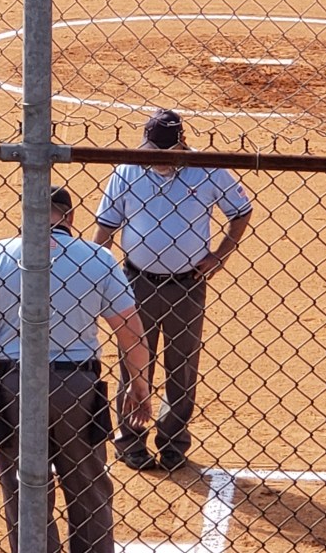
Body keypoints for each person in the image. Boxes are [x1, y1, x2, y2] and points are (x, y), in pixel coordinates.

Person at [0, 186, 152, 553]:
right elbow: (129, 330)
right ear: (69, 218)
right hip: (78, 385)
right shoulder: (96, 258)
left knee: (24, 492)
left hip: (12, 384)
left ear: (26, 214)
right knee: (88, 488)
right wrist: (140, 385)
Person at [92, 109, 253, 472]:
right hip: (135, 283)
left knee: (182, 368)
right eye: (153, 151)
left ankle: (172, 441)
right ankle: (130, 441)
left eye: (165, 152)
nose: (159, 159)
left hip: (187, 285)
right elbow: (105, 229)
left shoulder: (207, 169)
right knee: (134, 363)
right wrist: (95, 273)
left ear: (182, 142)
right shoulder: (128, 169)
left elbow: (241, 211)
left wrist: (220, 255)